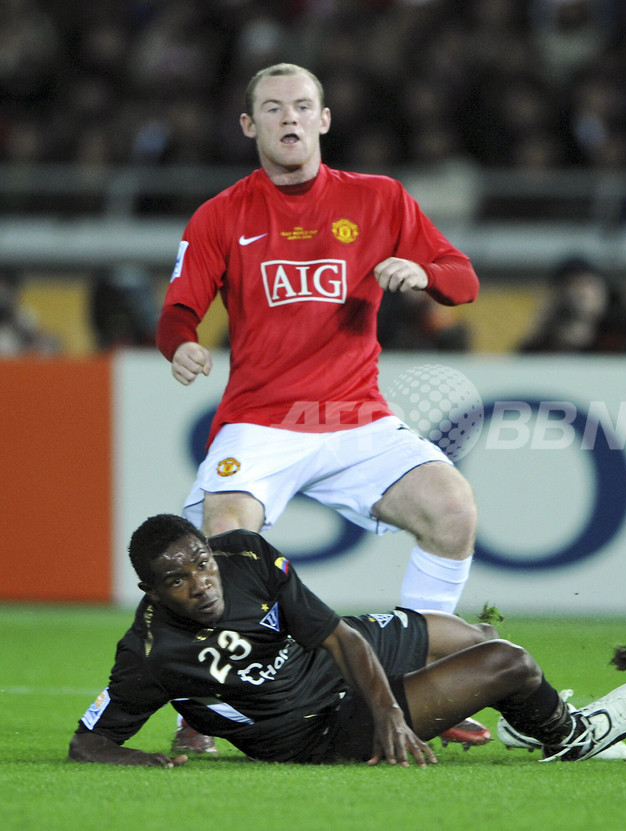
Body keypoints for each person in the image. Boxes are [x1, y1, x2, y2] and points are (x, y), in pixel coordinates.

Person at [154, 63, 482, 754]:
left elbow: (464, 278)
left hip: (356, 417)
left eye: (303, 106)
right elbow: (179, 307)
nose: (289, 119)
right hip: (262, 418)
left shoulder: (380, 199)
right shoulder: (222, 214)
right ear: (250, 125)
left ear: (325, 119)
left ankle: (422, 679)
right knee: (227, 539)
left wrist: (424, 273)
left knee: (451, 508)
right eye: (272, 109)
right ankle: (208, 703)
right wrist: (181, 343)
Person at [68, 514, 626, 767]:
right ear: (150, 590)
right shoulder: (150, 653)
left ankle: (520, 722)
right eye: (177, 580)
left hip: (332, 667)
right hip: (316, 732)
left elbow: (338, 636)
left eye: (200, 562)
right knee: (509, 664)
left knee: (477, 637)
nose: (200, 584)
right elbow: (88, 744)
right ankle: (570, 738)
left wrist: (391, 712)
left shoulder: (244, 554)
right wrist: (141, 760)